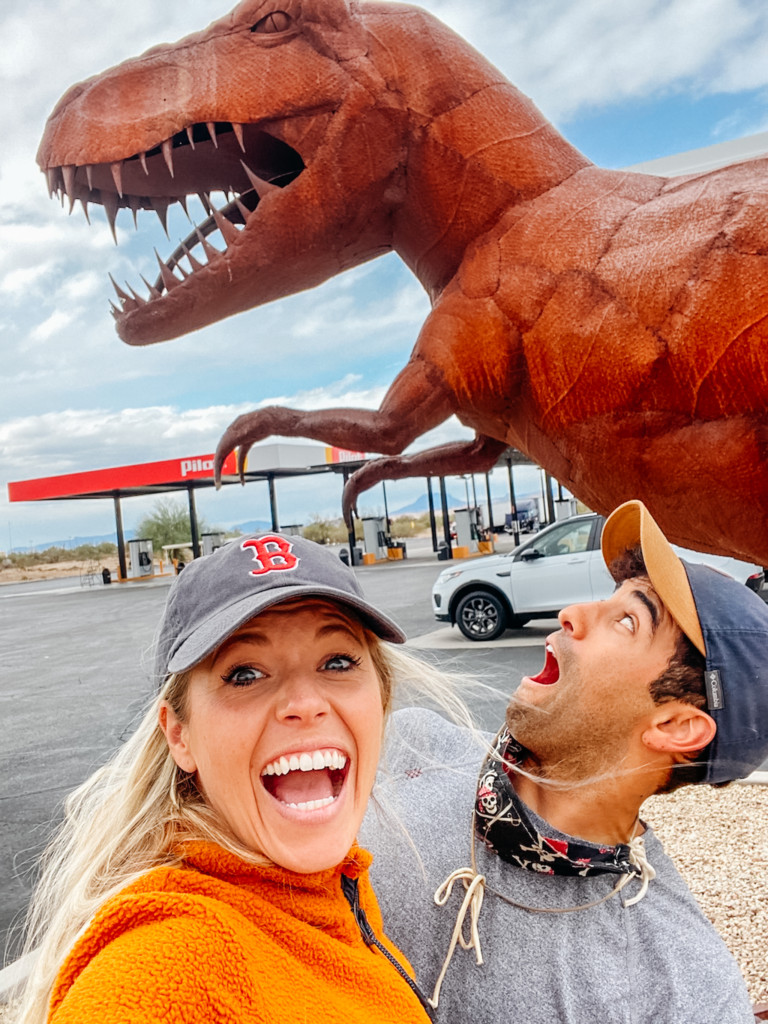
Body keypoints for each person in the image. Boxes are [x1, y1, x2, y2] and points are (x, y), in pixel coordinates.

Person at [361, 499, 768, 1024]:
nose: (571, 614)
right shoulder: (408, 746)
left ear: (674, 727)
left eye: (626, 621)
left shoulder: (677, 986)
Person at [15, 533, 441, 1024]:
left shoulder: (334, 892)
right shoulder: (174, 964)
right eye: (244, 674)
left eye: (338, 662)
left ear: (382, 699)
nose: (304, 704)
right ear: (179, 735)